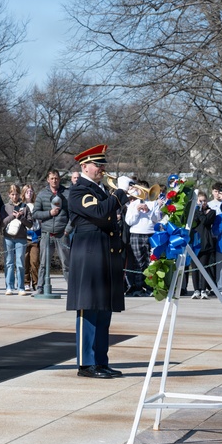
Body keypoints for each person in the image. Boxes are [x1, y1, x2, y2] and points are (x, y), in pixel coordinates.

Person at [65, 144, 130, 379]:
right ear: (85, 166)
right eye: (98, 164)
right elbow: (101, 212)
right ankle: (86, 362)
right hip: (89, 256)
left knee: (103, 311)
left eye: (103, 164)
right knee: (89, 309)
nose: (102, 168)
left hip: (104, 255)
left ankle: (101, 361)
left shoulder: (100, 190)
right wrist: (120, 194)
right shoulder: (78, 190)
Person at [34, 170, 71, 295]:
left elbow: (73, 215)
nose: (54, 180)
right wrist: (49, 213)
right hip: (46, 233)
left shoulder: (67, 193)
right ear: (48, 180)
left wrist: (67, 230)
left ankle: (72, 288)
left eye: (56, 178)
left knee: (66, 263)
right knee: (43, 263)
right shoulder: (42, 194)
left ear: (59, 179)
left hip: (62, 233)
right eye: (52, 178)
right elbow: (35, 213)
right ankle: (40, 287)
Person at [124, 182, 162, 296]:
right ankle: (138, 288)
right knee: (138, 262)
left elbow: (157, 219)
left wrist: (148, 211)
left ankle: (150, 287)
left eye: (145, 190)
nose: (142, 192)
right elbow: (129, 222)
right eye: (140, 190)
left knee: (151, 262)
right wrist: (136, 210)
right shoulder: (132, 204)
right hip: (136, 234)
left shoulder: (153, 203)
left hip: (151, 234)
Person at [2, 184, 32, 296]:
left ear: (20, 194)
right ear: (9, 195)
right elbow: (2, 223)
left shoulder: (25, 207)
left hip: (21, 238)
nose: (14, 196)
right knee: (9, 263)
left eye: (16, 194)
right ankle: (9, 286)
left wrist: (21, 217)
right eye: (12, 194)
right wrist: (12, 216)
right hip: (8, 237)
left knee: (20, 263)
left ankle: (21, 287)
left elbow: (30, 224)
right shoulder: (5, 207)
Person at [190, 193, 216, 299]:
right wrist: (198, 211)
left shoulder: (212, 212)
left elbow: (205, 221)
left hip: (206, 243)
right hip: (194, 242)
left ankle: (203, 289)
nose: (203, 203)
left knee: (203, 267)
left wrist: (201, 212)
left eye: (204, 200)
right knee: (194, 268)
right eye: (200, 201)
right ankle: (196, 289)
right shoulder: (193, 212)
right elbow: (194, 222)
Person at [23, 184, 41, 292]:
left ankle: (36, 282)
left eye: (31, 191)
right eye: (27, 192)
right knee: (25, 261)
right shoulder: (22, 205)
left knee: (34, 261)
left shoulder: (37, 205)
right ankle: (26, 282)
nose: (29, 193)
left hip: (35, 236)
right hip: (24, 236)